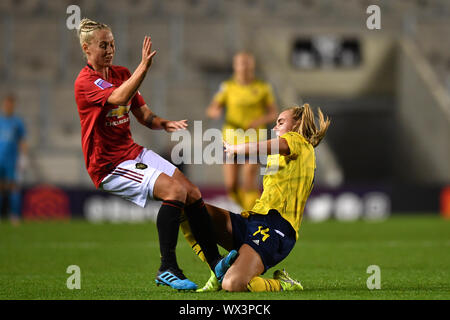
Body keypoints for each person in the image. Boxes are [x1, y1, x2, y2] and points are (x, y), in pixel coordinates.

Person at [73, 18, 237, 291]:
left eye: (112, 43)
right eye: (103, 45)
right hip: (108, 165)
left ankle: (215, 263)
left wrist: (164, 123)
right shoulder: (85, 82)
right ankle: (167, 268)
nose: (110, 49)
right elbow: (118, 99)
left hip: (132, 152)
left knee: (192, 191)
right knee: (174, 191)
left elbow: (144, 114)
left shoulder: (121, 73)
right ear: (87, 48)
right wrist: (144, 67)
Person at [195, 104, 330, 292]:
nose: (275, 127)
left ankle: (282, 284)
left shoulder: (297, 141)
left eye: (281, 122)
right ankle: (216, 267)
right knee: (191, 209)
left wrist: (238, 148)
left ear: (297, 124)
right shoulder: (286, 155)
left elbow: (268, 146)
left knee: (233, 284)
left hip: (276, 228)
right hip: (254, 219)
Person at [206, 52, 278, 211]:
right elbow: (212, 109)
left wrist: (259, 121)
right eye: (240, 63)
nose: (244, 66)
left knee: (249, 182)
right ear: (235, 66)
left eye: (247, 63)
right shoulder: (227, 87)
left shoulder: (262, 87)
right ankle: (248, 210)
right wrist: (214, 112)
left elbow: (273, 113)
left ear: (252, 66)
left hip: (254, 140)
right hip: (230, 140)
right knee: (231, 186)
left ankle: (254, 216)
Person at [0, 94, 27, 226]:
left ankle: (14, 215)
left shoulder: (18, 122)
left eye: (11, 104)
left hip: (12, 160)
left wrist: (23, 158)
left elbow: (22, 141)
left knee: (14, 187)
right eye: (6, 104)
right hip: (0, 159)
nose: (8, 106)